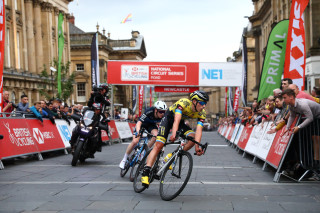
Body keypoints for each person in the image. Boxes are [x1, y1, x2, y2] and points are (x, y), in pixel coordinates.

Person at [141, 90, 209, 187]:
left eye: (205, 104)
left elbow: (199, 130)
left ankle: (170, 156)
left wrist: (197, 147)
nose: (204, 106)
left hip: (181, 123)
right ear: (194, 101)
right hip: (168, 119)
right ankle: (146, 172)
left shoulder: (202, 113)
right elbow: (176, 120)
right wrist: (174, 135)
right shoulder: (183, 103)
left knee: (192, 138)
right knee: (159, 145)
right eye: (202, 103)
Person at [119, 101, 168, 169]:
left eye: (164, 112)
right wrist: (138, 131)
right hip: (142, 124)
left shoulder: (163, 116)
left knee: (156, 136)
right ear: (156, 110)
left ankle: (144, 151)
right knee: (135, 141)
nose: (162, 114)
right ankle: (124, 159)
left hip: (151, 126)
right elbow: (139, 122)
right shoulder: (149, 111)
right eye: (160, 112)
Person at [70, 83, 110, 153]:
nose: (101, 91)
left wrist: (100, 96)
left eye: (102, 89)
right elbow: (89, 104)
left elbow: (107, 103)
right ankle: (73, 143)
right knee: (78, 126)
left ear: (105, 90)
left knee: (98, 129)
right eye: (100, 89)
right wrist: (92, 96)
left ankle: (97, 146)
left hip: (99, 114)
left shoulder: (105, 97)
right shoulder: (94, 95)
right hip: (90, 113)